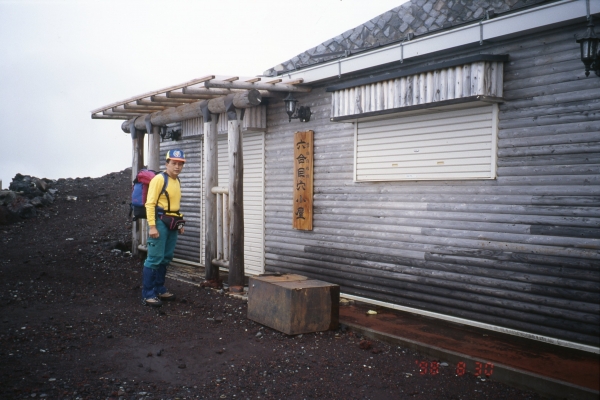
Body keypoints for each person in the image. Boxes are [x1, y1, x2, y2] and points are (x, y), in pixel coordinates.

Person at [141, 149, 186, 307]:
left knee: (166, 257)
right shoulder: (159, 179)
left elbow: (175, 206)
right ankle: (148, 293)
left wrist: (180, 223)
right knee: (154, 258)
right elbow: (150, 203)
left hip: (172, 223)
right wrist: (152, 226)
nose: (177, 167)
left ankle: (159, 288)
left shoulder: (177, 180)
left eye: (180, 164)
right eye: (173, 163)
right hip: (159, 223)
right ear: (166, 164)